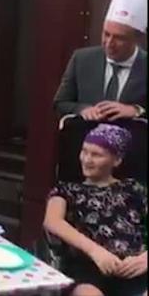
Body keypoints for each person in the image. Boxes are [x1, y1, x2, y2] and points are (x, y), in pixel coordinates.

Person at [44, 124, 147, 296]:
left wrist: (145, 259)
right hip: (88, 265)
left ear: (117, 160)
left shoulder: (134, 188)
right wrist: (96, 252)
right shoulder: (66, 189)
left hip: (134, 266)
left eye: (96, 154)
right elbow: (52, 221)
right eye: (84, 151)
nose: (87, 159)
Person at [54, 0, 147, 120]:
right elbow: (60, 102)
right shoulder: (82, 59)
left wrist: (136, 110)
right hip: (84, 140)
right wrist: (83, 109)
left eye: (119, 38)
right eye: (106, 34)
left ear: (138, 38)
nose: (109, 43)